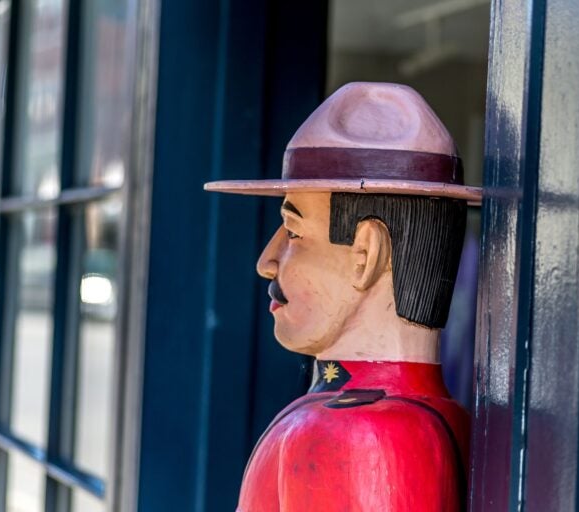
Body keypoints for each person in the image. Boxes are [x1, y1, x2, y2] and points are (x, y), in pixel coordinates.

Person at [205, 82, 480, 511]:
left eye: (294, 232)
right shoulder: (452, 420)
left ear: (365, 254)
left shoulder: (351, 433)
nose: (267, 261)